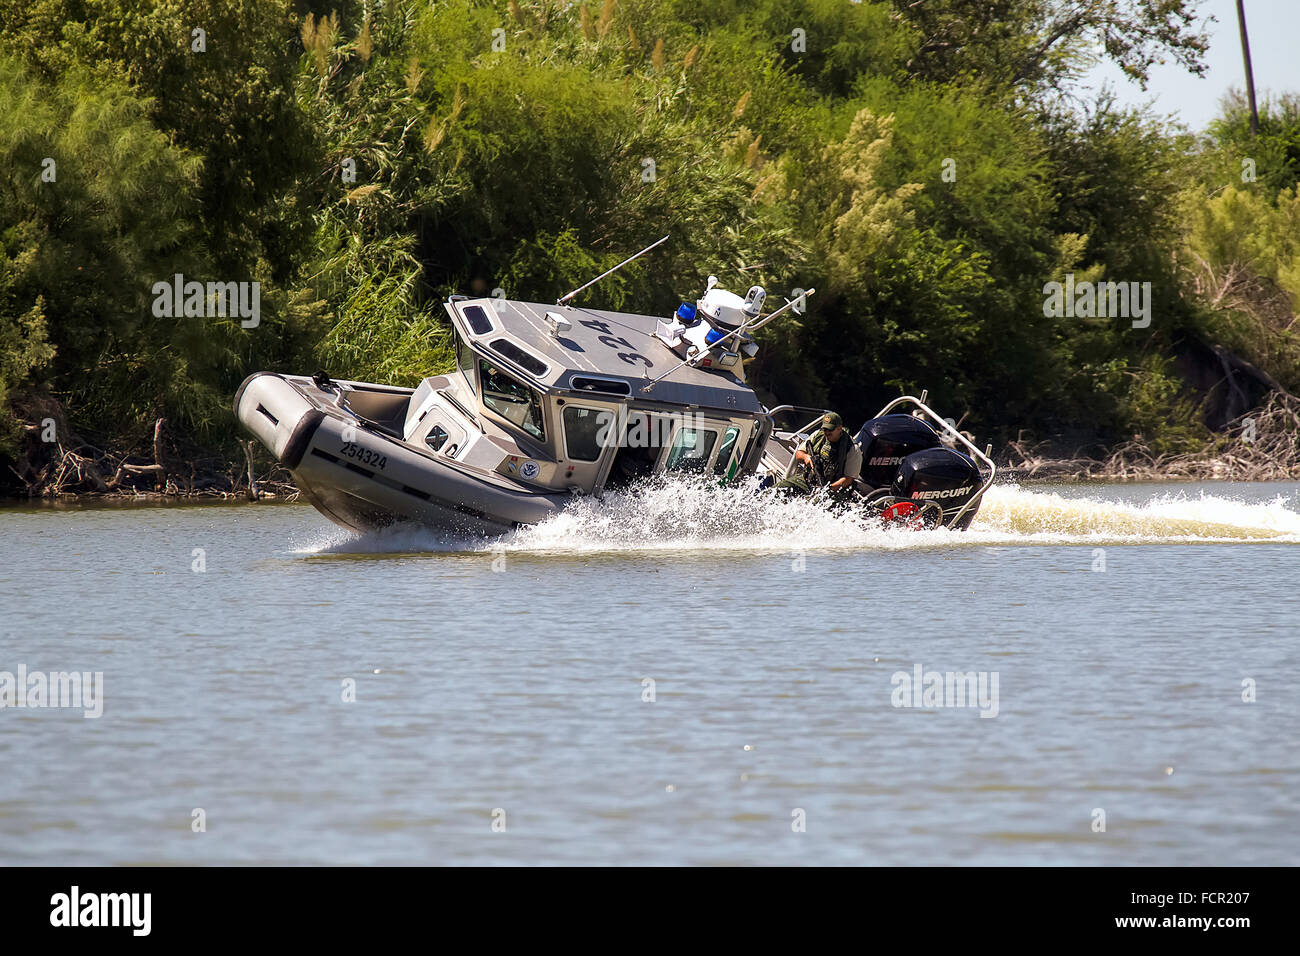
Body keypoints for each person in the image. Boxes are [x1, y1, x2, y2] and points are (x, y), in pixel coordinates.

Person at [776, 411, 861, 497]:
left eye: (830, 429)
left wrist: (827, 490)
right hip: (807, 480)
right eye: (825, 429)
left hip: (833, 490)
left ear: (839, 428)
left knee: (813, 505)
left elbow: (848, 479)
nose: (827, 432)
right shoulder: (818, 435)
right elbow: (799, 453)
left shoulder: (852, 448)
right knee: (776, 490)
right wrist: (806, 458)